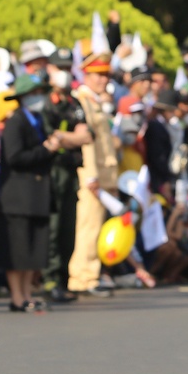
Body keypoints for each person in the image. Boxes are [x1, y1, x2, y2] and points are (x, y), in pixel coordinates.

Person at [0, 75, 59, 312]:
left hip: (35, 195)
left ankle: (26, 294)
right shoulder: (16, 121)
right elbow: (14, 157)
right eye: (34, 93)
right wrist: (44, 150)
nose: (38, 97)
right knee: (18, 250)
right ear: (24, 97)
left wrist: (50, 149)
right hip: (19, 195)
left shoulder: (36, 119)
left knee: (31, 251)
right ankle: (17, 296)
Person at [67, 52, 120, 298]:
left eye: (106, 75)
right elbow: (87, 142)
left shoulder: (96, 101)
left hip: (105, 173)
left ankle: (92, 274)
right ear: (86, 75)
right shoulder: (83, 100)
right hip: (93, 175)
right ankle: (82, 277)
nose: (103, 80)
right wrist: (90, 175)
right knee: (88, 226)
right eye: (98, 75)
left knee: (96, 226)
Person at [44, 54, 90, 303]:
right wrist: (66, 136)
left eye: (66, 68)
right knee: (53, 226)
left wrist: (65, 137)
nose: (62, 72)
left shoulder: (74, 102)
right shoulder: (45, 103)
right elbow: (49, 136)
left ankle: (63, 278)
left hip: (71, 170)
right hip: (53, 170)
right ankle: (50, 279)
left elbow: (86, 136)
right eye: (58, 68)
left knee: (68, 227)